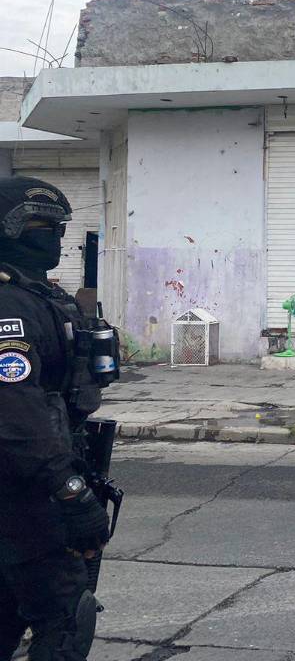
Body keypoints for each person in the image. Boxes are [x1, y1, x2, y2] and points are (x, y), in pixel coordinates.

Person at [0, 177, 110, 661]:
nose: (55, 238)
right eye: (42, 226)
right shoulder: (10, 306)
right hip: (22, 489)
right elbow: (15, 407)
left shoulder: (35, 294)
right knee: (64, 613)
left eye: (60, 227)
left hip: (26, 482)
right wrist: (68, 488)